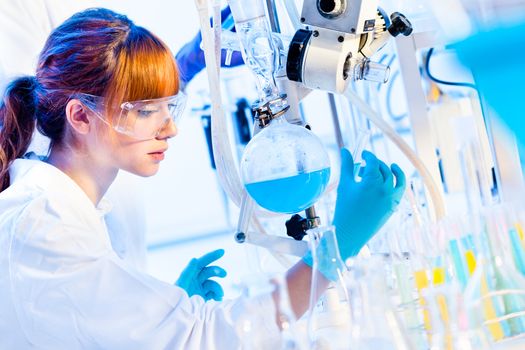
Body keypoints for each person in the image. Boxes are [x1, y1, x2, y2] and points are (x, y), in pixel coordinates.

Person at [0, 8, 406, 349]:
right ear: (81, 116)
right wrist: (338, 245)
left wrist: (150, 317)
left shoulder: (55, 207)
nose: (170, 129)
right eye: (145, 110)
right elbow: (210, 335)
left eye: (170, 107)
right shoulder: (44, 223)